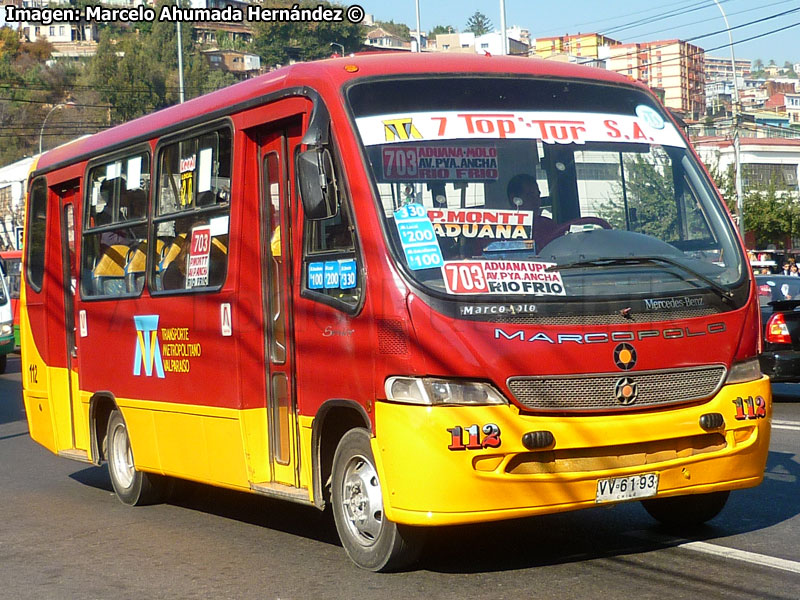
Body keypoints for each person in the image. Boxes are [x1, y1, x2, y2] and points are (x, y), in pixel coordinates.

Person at [506, 174, 560, 249]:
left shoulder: (548, 226)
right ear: (514, 200)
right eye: (529, 195)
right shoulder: (502, 230)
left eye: (537, 195)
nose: (536, 201)